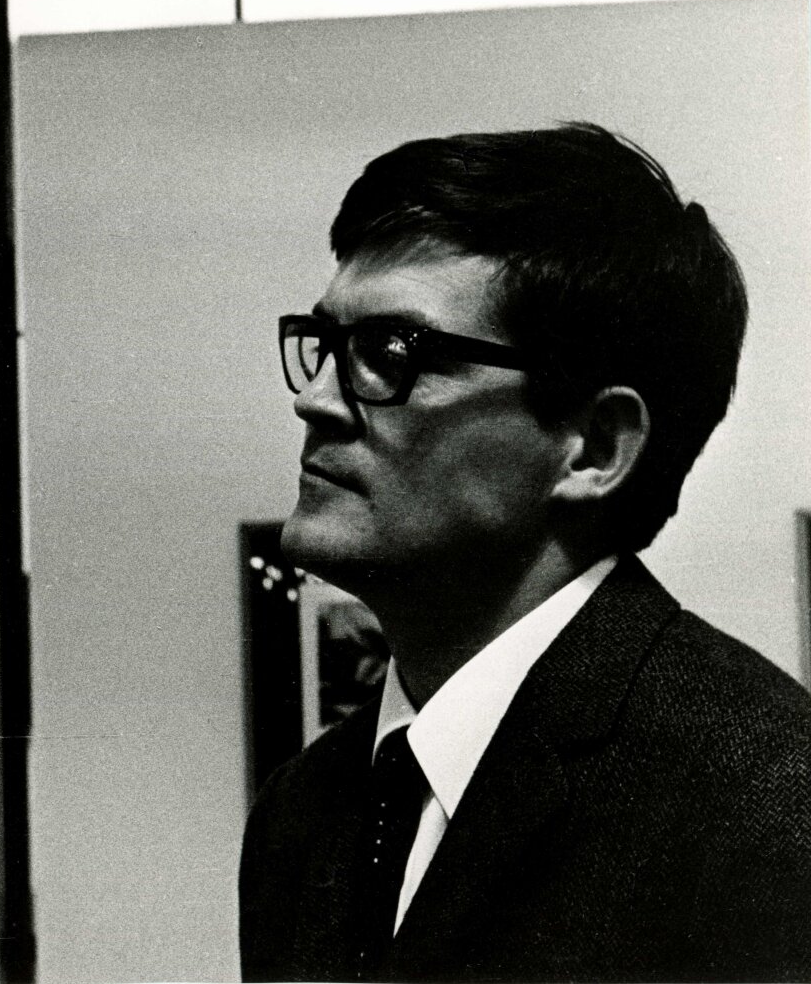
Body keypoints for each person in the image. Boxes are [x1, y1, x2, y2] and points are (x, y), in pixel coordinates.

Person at [238, 123, 811, 982]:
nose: (315, 399)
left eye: (391, 352)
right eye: (323, 344)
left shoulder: (765, 803)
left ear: (594, 446)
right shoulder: (301, 811)